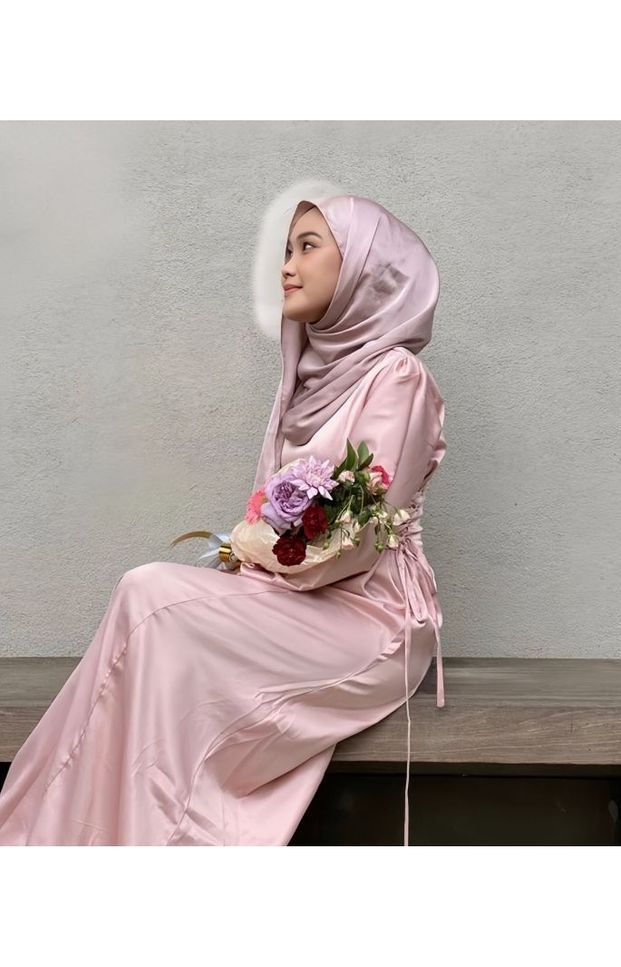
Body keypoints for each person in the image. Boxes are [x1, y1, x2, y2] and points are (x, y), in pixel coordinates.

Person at [0, 193, 447, 846]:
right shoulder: (310, 377)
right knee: (142, 592)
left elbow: (354, 538)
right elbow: (283, 519)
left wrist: (249, 545)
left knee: (155, 598)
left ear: (364, 267)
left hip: (371, 620)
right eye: (286, 249)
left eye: (308, 247)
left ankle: (126, 837)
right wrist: (258, 547)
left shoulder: (397, 377)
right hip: (298, 598)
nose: (287, 266)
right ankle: (76, 834)